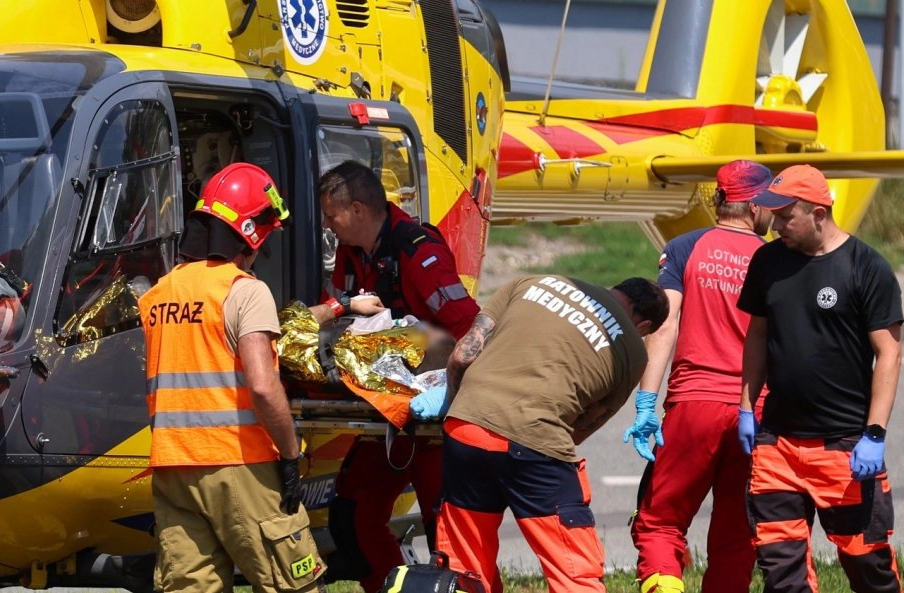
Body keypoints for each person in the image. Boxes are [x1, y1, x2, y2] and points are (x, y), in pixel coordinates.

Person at [412, 274, 668, 593]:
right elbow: (587, 422)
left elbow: (464, 354)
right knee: (573, 573)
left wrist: (452, 405)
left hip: (466, 427)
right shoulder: (633, 351)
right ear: (644, 327)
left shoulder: (531, 282)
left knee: (465, 567)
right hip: (535, 441)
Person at [141, 163, 326, 593]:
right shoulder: (244, 290)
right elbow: (262, 385)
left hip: (172, 467)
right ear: (253, 232)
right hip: (239, 462)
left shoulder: (159, 294)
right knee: (291, 583)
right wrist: (289, 453)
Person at [307, 160, 480, 593]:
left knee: (445, 529)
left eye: (332, 215)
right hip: (388, 412)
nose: (328, 225)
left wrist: (449, 397)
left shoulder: (418, 252)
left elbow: (471, 326)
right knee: (352, 517)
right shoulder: (353, 254)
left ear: (359, 210)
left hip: (433, 419)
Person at [737, 164, 904, 593]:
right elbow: (757, 335)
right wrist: (745, 408)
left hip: (844, 447)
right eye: (772, 215)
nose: (775, 226)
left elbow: (889, 353)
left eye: (785, 216)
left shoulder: (866, 267)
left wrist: (875, 432)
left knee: (867, 564)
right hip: (778, 446)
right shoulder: (767, 261)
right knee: (780, 570)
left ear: (818, 214)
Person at [625, 160, 774, 593]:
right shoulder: (775, 258)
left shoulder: (686, 246)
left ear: (720, 200)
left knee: (660, 523)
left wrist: (646, 402)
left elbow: (664, 325)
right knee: (736, 534)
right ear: (756, 205)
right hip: (755, 411)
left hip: (692, 406)